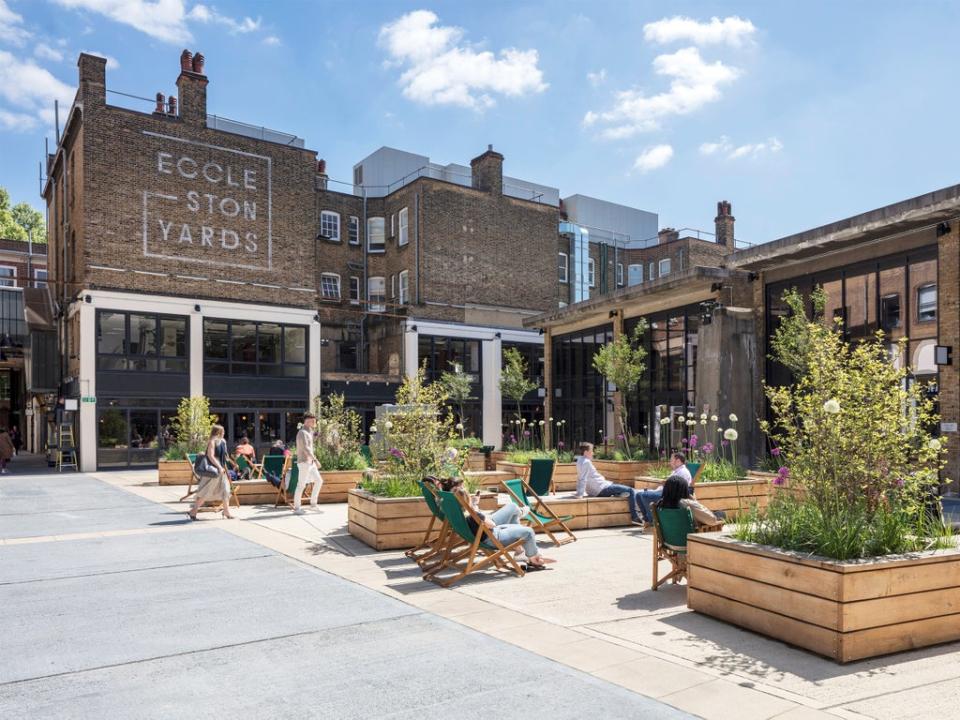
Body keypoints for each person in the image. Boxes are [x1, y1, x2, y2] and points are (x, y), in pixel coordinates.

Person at [437, 477, 554, 570]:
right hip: (491, 537)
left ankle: (524, 553)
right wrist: (477, 509)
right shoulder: (473, 514)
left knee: (515, 516)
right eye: (461, 486)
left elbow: (481, 521)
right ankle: (534, 559)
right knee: (528, 531)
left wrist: (474, 508)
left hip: (482, 534)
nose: (464, 487)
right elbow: (492, 525)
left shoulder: (455, 508)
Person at [576, 442, 644, 526]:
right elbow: (583, 478)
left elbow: (580, 477)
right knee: (630, 490)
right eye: (591, 451)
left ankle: (620, 494)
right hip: (601, 489)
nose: (593, 453)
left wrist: (579, 492)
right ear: (586, 452)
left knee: (625, 489)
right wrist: (580, 494)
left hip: (599, 488)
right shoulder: (586, 462)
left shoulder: (580, 460)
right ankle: (635, 517)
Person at [188, 424, 234, 520]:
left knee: (226, 491)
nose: (224, 433)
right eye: (222, 432)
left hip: (221, 471)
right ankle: (193, 511)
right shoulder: (212, 442)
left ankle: (226, 512)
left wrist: (227, 468)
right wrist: (219, 467)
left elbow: (225, 457)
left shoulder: (223, 442)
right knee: (206, 492)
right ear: (218, 433)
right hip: (213, 472)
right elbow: (210, 456)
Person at [638, 451, 693, 525]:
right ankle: (647, 520)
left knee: (645, 495)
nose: (670, 462)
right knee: (638, 495)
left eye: (671, 460)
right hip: (665, 492)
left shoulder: (683, 472)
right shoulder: (676, 471)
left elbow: (676, 489)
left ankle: (653, 522)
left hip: (671, 496)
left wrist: (665, 484)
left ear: (678, 461)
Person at [293, 413, 323, 514]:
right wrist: (315, 460)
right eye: (313, 421)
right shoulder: (302, 433)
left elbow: (310, 445)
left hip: (310, 463)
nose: (315, 423)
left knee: (319, 481)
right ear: (307, 421)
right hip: (304, 462)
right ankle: (297, 508)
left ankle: (313, 504)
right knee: (301, 485)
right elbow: (306, 448)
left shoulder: (309, 432)